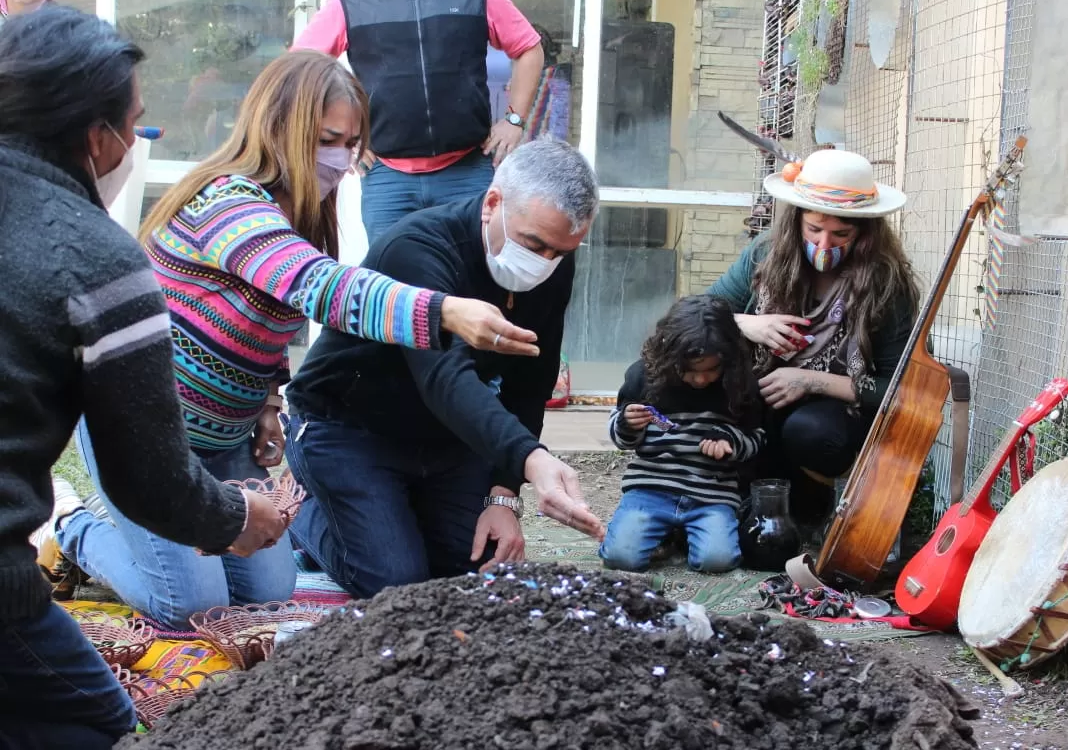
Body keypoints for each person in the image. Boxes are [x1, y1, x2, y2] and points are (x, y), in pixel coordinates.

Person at [54, 50, 539, 631]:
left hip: (222, 443)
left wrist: (266, 403)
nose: (340, 159)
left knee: (268, 595)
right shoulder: (226, 202)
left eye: (351, 142)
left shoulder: (302, 217)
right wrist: (446, 311)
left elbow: (267, 321)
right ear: (281, 128)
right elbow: (316, 286)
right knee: (189, 607)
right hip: (140, 433)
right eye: (328, 139)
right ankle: (72, 527)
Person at [0, 6, 286, 749]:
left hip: (219, 448)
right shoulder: (93, 258)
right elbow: (148, 479)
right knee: (94, 722)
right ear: (98, 138)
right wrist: (235, 519)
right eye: (137, 126)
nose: (137, 144)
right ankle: (77, 531)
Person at [284, 138, 605, 599]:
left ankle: (394, 511)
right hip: (349, 427)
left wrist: (504, 495)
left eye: (562, 251)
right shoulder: (416, 248)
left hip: (445, 437)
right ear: (493, 203)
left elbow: (531, 382)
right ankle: (304, 510)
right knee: (397, 584)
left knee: (471, 574)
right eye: (535, 244)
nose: (545, 262)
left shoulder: (553, 261)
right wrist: (533, 460)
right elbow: (443, 378)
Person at [707, 149, 919, 537]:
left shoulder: (888, 285)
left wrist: (808, 381)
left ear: (865, 233)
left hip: (830, 416)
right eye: (814, 230)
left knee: (810, 430)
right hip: (759, 396)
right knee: (654, 381)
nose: (825, 244)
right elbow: (698, 315)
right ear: (796, 221)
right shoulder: (764, 255)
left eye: (841, 234)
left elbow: (904, 389)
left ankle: (815, 503)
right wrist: (748, 323)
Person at [292, 0, 545, 240]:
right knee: (392, 275)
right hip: (387, 179)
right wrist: (341, 140)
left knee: (470, 273)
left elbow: (528, 48)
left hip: (467, 172)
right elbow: (299, 72)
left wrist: (515, 120)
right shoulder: (350, 1)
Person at [600, 296, 765, 573]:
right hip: (650, 489)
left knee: (717, 561)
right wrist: (627, 425)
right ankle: (660, 531)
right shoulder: (643, 376)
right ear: (669, 355)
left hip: (711, 495)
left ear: (729, 358)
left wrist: (732, 442)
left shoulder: (740, 385)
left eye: (712, 370)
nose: (701, 379)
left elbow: (757, 438)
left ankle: (682, 536)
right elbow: (621, 438)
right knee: (621, 558)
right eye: (689, 371)